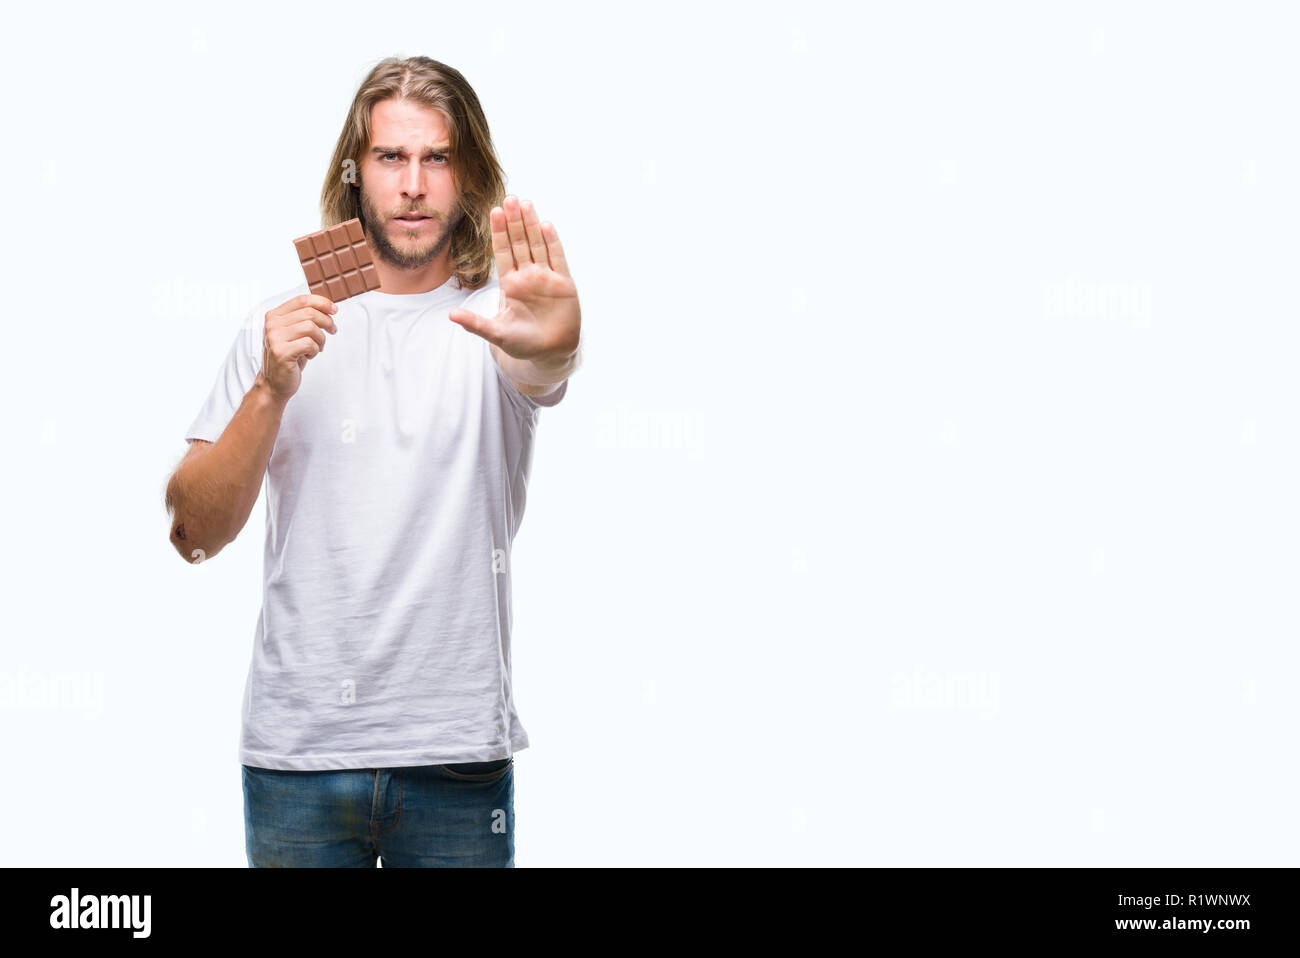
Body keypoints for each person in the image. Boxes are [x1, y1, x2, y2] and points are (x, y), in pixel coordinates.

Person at [163, 56, 582, 867]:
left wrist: (560, 347)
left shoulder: (503, 319)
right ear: (356, 175)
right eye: (392, 158)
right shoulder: (279, 327)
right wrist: (270, 390)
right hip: (299, 763)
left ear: (469, 176)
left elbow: (544, 366)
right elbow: (191, 531)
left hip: (456, 757)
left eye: (438, 157)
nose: (415, 184)